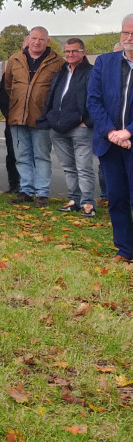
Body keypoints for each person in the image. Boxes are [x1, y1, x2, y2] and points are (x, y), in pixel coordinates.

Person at [87, 16, 133, 262]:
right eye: (125, 32)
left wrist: (129, 131)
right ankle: (125, 250)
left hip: (130, 140)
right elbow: (93, 100)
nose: (128, 38)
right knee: (116, 198)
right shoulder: (105, 62)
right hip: (110, 144)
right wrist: (111, 133)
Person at [3, 27, 61, 207]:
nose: (37, 42)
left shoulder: (57, 62)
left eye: (41, 39)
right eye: (34, 38)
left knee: (42, 156)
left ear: (47, 42)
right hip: (17, 116)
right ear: (28, 40)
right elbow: (8, 86)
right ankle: (25, 191)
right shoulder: (15, 59)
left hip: (41, 118)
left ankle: (42, 193)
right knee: (22, 156)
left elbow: (59, 91)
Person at [39, 38, 96, 217]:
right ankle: (74, 200)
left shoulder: (91, 72)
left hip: (80, 128)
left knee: (83, 167)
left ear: (83, 52)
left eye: (74, 51)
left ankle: (88, 203)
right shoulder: (61, 72)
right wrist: (49, 118)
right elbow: (52, 96)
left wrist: (87, 121)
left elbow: (95, 98)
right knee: (69, 167)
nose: (70, 55)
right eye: (68, 51)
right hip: (58, 128)